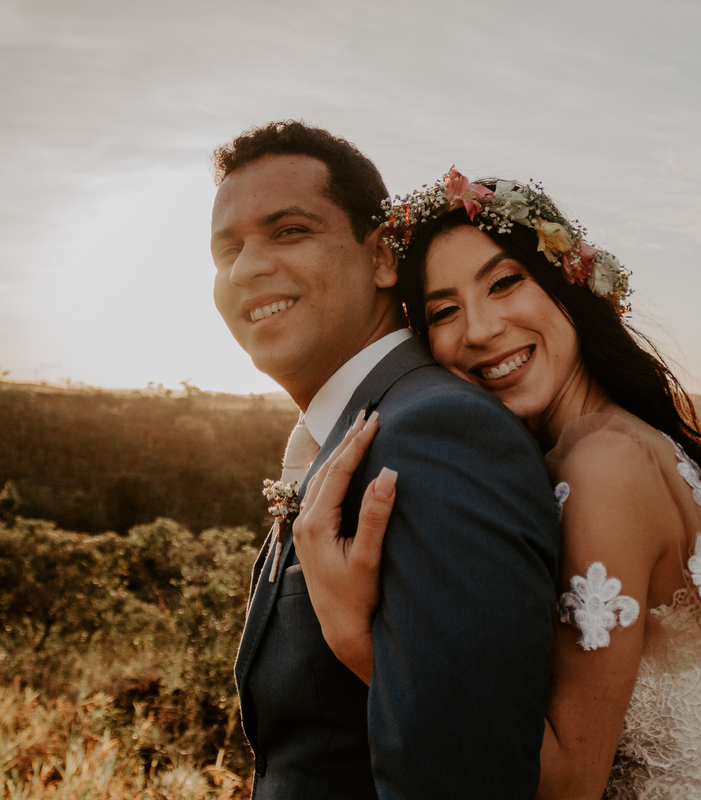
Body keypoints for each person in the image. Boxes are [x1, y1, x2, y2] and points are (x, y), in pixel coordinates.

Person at [294, 168, 701, 799]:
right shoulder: (627, 438)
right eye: (444, 311)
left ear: (568, 280)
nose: (480, 329)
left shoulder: (603, 471)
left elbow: (569, 786)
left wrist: (359, 643)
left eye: (504, 282)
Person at [209, 123, 561, 800]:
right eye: (228, 249)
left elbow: (466, 782)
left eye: (289, 231)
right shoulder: (356, 428)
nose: (246, 268)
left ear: (381, 258)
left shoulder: (438, 434)